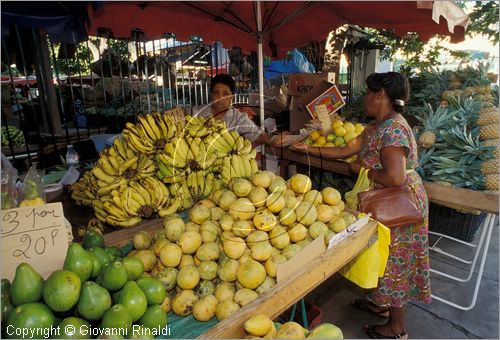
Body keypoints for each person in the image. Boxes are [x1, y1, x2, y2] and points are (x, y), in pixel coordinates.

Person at [293, 72, 430, 339]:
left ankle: (397, 327)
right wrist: (305, 149)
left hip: (398, 203)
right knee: (382, 255)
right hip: (386, 199)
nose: (365, 97)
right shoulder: (377, 127)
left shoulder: (392, 129)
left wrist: (362, 169)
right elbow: (345, 150)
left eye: (368, 92)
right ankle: (381, 305)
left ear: (380, 95)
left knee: (395, 262)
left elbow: (395, 176)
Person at [191, 74, 270, 145]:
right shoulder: (197, 112)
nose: (220, 98)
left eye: (225, 94)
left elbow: (258, 135)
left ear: (232, 96)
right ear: (211, 94)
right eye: (216, 92)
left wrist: (273, 139)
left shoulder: (238, 119)